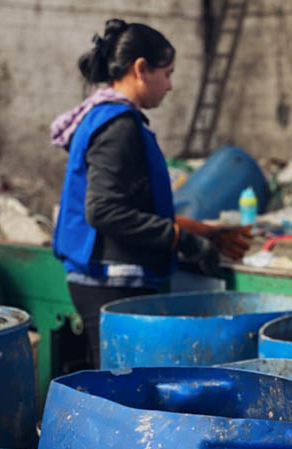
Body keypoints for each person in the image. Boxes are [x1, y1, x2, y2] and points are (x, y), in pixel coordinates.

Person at [50, 18, 252, 368]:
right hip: (110, 280)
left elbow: (132, 204)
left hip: (102, 276)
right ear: (141, 69)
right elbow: (104, 211)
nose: (170, 85)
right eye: (167, 73)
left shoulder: (104, 117)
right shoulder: (119, 126)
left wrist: (199, 231)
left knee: (116, 379)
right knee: (119, 384)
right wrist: (181, 240)